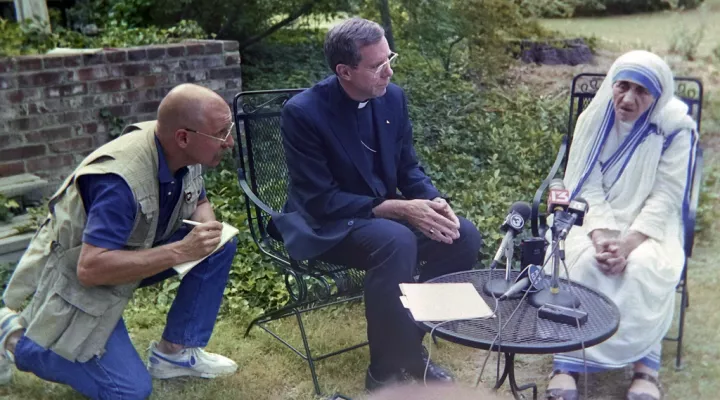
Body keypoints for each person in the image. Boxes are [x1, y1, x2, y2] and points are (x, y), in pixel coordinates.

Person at [273, 17, 483, 391]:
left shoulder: (393, 98)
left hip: (380, 220)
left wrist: (433, 200)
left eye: (390, 59)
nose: (388, 71)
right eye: (376, 66)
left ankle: (410, 347)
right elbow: (321, 200)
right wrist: (401, 209)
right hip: (327, 224)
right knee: (396, 241)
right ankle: (383, 373)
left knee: (461, 234)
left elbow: (408, 167)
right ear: (344, 71)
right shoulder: (303, 113)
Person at [0, 84, 240, 399]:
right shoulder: (118, 183)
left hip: (130, 258)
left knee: (220, 241)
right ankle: (13, 336)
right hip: (81, 282)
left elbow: (199, 197)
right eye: (222, 133)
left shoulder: (180, 149)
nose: (230, 141)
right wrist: (181, 250)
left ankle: (174, 354)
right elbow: (90, 269)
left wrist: (206, 231)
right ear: (183, 137)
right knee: (129, 391)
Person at [545, 51, 698, 400]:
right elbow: (584, 182)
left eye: (642, 91)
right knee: (578, 259)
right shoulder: (593, 120)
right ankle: (566, 363)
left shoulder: (675, 127)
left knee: (644, 267)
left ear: (658, 96)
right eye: (622, 86)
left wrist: (627, 244)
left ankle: (647, 368)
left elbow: (666, 196)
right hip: (590, 216)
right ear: (612, 85)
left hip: (647, 225)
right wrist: (602, 235)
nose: (628, 98)